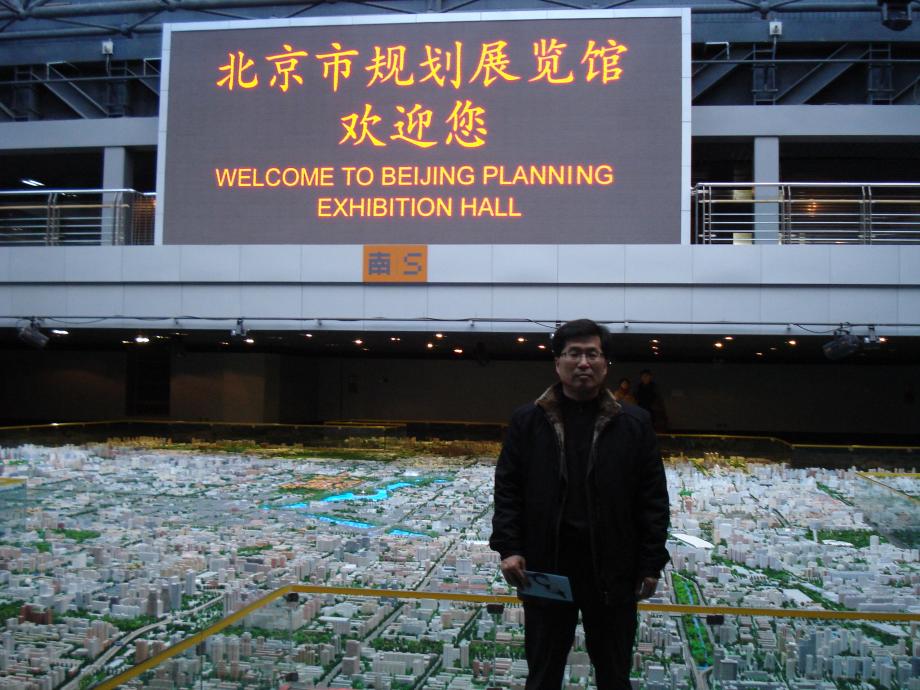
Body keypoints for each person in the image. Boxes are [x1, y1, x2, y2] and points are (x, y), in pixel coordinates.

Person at [490, 319, 670, 690]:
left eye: (592, 354)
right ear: (557, 362)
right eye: (574, 353)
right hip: (546, 567)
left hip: (613, 571)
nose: (583, 362)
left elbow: (652, 498)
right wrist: (509, 548)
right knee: (542, 674)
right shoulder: (528, 421)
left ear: (606, 364)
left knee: (614, 675)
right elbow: (508, 489)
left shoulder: (635, 423)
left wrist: (650, 563)